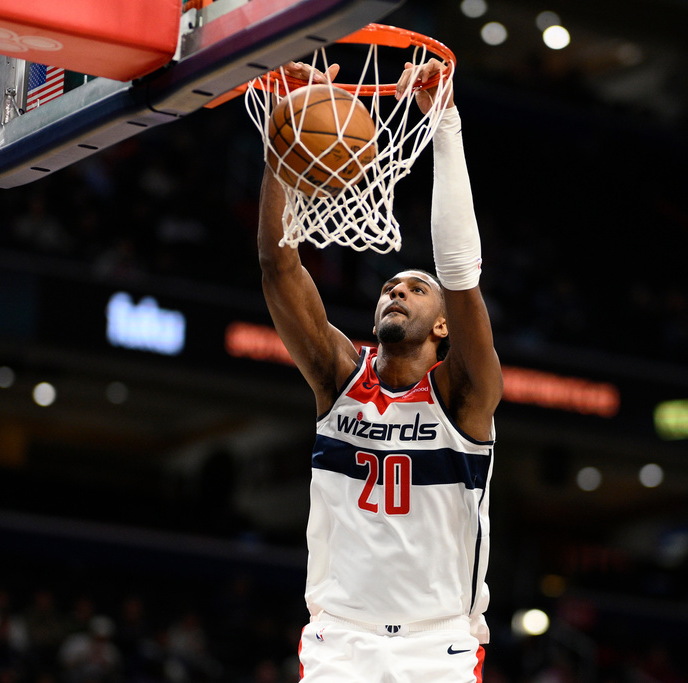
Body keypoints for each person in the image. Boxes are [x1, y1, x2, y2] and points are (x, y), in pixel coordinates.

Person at [257, 57, 503, 683]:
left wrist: (443, 127)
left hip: (436, 644)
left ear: (443, 325)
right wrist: (284, 143)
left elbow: (461, 276)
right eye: (390, 285)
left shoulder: (463, 395)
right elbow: (278, 266)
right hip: (341, 639)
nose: (396, 291)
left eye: (415, 290)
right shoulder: (338, 376)